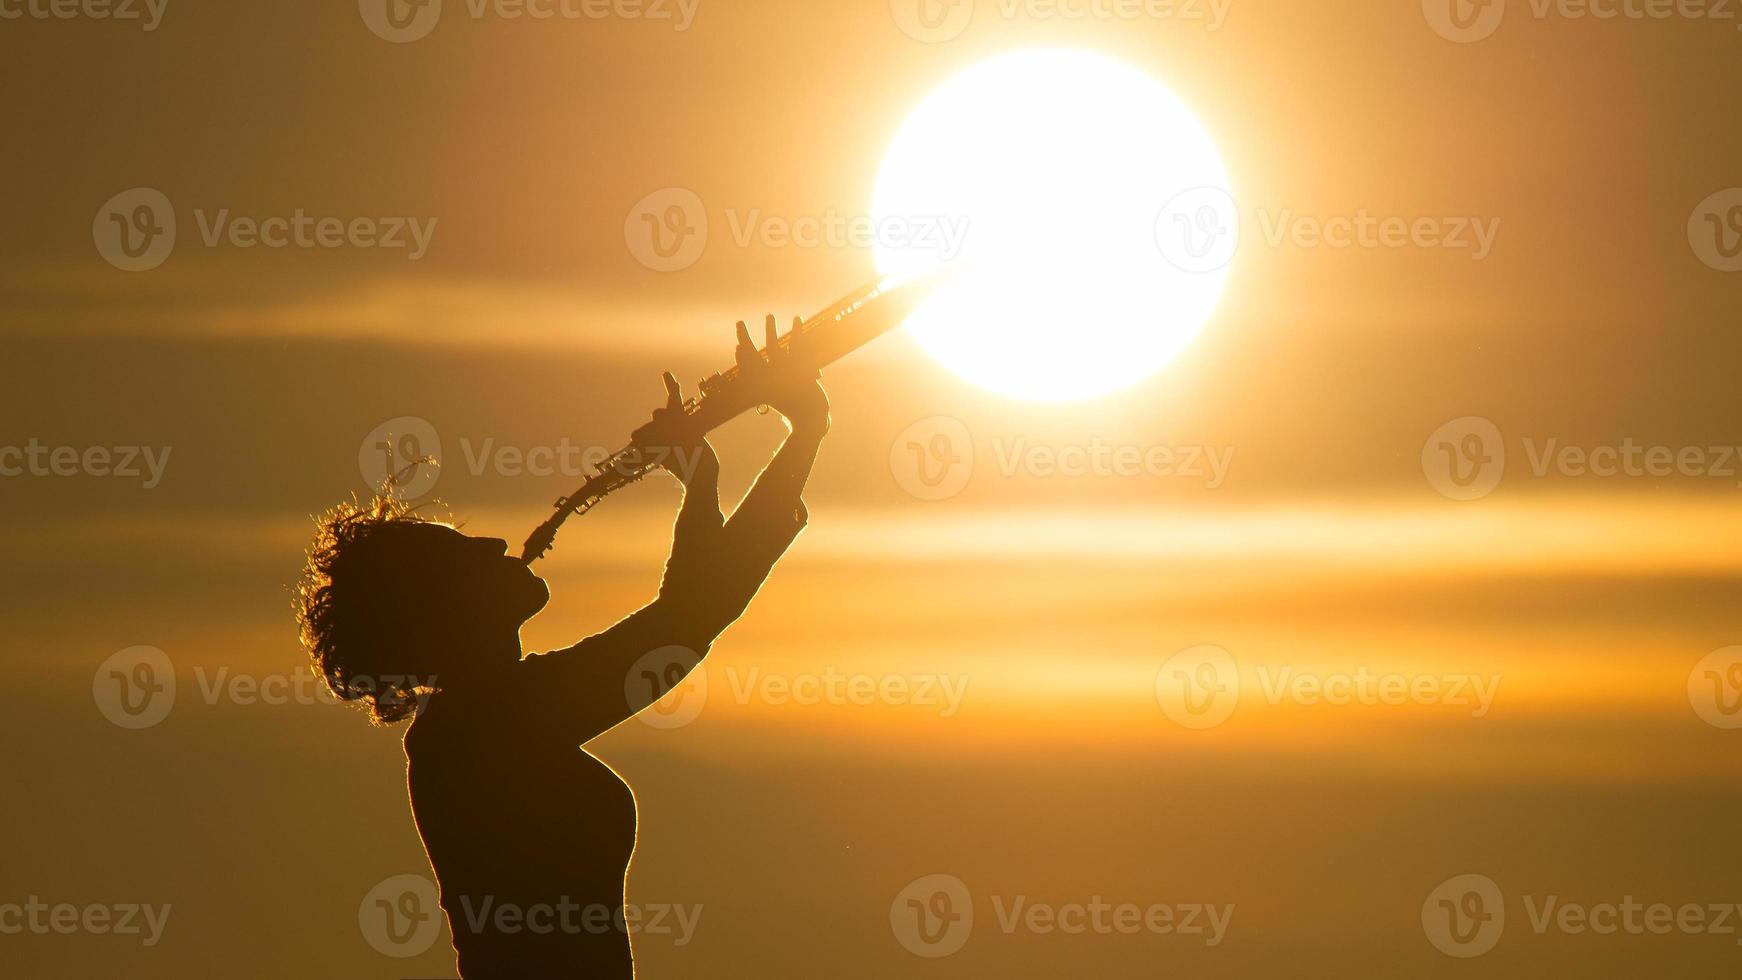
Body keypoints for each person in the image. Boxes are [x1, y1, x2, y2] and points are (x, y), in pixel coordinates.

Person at [294, 317, 828, 978]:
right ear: (441, 609)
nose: (491, 545)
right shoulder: (481, 727)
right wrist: (796, 437)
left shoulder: (472, 720)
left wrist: (727, 470)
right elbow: (683, 626)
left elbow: (686, 620)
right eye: (464, 556)